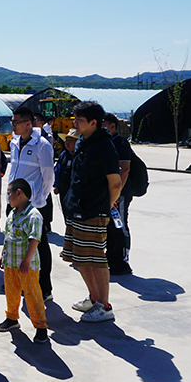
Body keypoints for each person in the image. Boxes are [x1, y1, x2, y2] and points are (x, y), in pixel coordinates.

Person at [63, 101, 121, 322]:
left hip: (94, 212)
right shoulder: (82, 142)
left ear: (93, 122)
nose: (75, 123)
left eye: (79, 120)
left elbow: (115, 183)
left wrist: (104, 207)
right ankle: (94, 298)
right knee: (80, 258)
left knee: (96, 259)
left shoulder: (104, 146)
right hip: (77, 208)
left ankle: (104, 306)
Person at [8, 107, 55, 302]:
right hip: (14, 201)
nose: (13, 126)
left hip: (33, 204)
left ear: (28, 123)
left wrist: (38, 198)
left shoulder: (42, 145)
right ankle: (22, 282)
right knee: (17, 243)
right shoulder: (14, 142)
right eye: (12, 122)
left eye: (16, 122)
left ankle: (45, 288)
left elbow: (48, 177)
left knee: (39, 245)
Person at [0, 179, 48, 344]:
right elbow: (8, 236)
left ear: (19, 193)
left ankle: (40, 327)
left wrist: (27, 260)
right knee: (11, 293)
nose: (8, 198)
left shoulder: (34, 215)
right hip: (11, 263)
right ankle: (12, 318)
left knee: (32, 295)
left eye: (9, 193)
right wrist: (3, 254)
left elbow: (35, 239)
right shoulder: (12, 213)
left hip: (27, 266)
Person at [102, 113, 133, 276]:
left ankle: (122, 261)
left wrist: (116, 193)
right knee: (109, 226)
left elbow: (124, 169)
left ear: (112, 126)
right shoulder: (106, 143)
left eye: (103, 124)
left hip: (119, 194)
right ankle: (112, 257)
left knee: (119, 226)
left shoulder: (120, 144)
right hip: (109, 193)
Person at [54, 128, 79, 224]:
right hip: (63, 191)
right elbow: (57, 170)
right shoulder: (64, 154)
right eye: (66, 140)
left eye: (70, 141)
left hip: (75, 192)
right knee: (66, 214)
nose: (67, 143)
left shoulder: (80, 155)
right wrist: (56, 185)